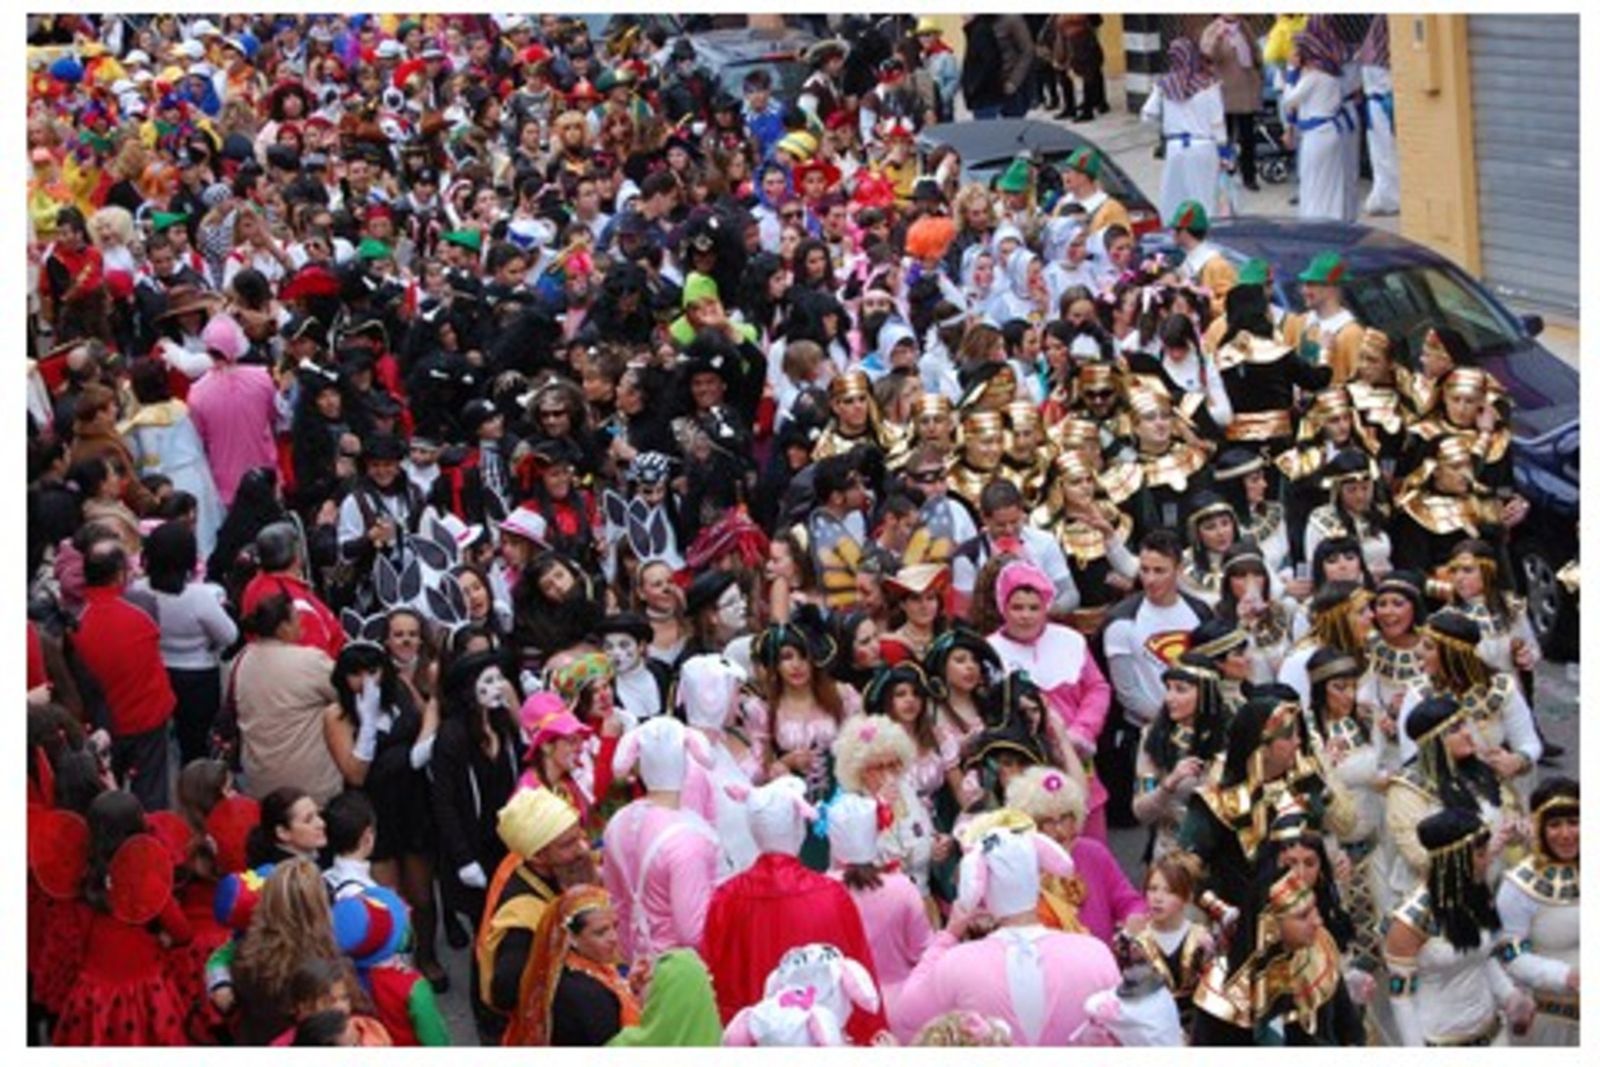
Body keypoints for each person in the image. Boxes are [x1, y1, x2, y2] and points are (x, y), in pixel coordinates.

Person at [893, 810, 1122, 1044]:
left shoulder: (957, 964)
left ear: (978, 884)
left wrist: (948, 935)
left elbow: (905, 1019)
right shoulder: (1095, 954)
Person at [700, 776, 889, 1044]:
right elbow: (860, 979)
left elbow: (714, 982)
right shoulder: (832, 895)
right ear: (797, 828)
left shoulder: (725, 899)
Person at [1384, 807, 1533, 1047]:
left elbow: (1482, 957)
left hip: (1493, 1032)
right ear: (1455, 860)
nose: (1489, 859)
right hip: (1440, 1041)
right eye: (1481, 854)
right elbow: (1401, 1000)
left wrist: (1510, 997)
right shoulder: (1410, 921)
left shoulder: (1477, 896)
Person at [1191, 866, 1365, 1044]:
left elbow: (1349, 1029)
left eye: (1314, 909)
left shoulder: (1318, 952)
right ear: (1270, 927)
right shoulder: (1223, 989)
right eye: (1303, 916)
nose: (1317, 921)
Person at [600, 717, 720, 963]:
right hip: (678, 973)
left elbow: (616, 900)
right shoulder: (689, 838)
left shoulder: (617, 823)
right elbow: (693, 931)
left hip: (635, 964)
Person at [72, 540, 177, 813]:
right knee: (152, 796)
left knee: (108, 796)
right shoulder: (141, 608)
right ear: (119, 574)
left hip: (104, 725)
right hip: (147, 717)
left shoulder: (76, 621)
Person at [1493, 778, 1579, 1046]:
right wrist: (1565, 976)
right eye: (1554, 825)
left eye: (1574, 822)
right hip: (1549, 1014)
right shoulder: (1518, 886)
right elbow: (1510, 954)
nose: (1566, 834)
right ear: (1538, 826)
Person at [1141, 41, 1228, 224]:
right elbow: (1217, 122)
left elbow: (1147, 115)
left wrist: (1165, 126)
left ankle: (1173, 234)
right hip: (1203, 147)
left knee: (1173, 196)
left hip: (1174, 148)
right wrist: (1224, 152)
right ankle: (1206, 235)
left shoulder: (1164, 86)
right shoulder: (1209, 85)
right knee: (1204, 197)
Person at [1201, 15, 1265, 193]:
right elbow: (1207, 55)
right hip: (1225, 91)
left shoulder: (1244, 27)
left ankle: (1249, 177)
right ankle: (1226, 173)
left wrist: (1258, 71)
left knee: (1247, 137)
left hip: (1245, 90)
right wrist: (1218, 37)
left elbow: (1256, 51)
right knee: (1225, 136)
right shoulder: (1213, 29)